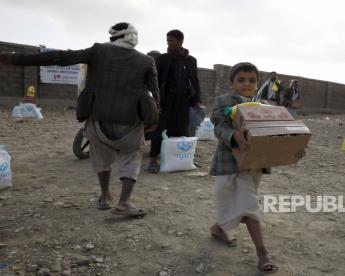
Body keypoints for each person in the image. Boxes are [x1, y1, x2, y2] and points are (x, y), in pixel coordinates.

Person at [0, 22, 159, 217]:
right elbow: (155, 94)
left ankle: (104, 197)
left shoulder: (97, 51)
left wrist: (14, 59)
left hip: (98, 119)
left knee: (101, 157)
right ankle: (124, 202)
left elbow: (59, 57)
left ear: (114, 37)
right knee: (131, 159)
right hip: (131, 122)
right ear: (133, 38)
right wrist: (154, 119)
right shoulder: (146, 61)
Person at [209, 62, 279, 273]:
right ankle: (262, 253)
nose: (246, 84)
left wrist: (292, 146)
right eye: (241, 80)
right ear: (232, 83)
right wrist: (234, 136)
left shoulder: (264, 107)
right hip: (230, 163)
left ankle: (218, 229)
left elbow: (273, 133)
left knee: (241, 202)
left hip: (254, 166)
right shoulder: (223, 101)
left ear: (258, 83)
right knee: (247, 205)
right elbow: (219, 126)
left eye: (252, 80)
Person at [148, 29, 201, 173]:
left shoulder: (190, 60)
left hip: (183, 100)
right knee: (160, 128)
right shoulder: (163, 59)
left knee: (182, 128)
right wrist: (155, 99)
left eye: (171, 40)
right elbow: (156, 80)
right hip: (166, 100)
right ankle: (153, 158)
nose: (169, 43)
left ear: (180, 41)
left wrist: (197, 100)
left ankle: (184, 158)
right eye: (168, 41)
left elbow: (194, 81)